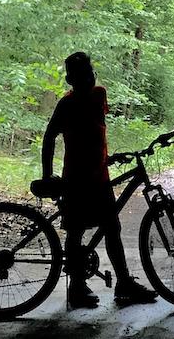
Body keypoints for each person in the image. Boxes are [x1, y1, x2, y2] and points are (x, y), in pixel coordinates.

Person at [41, 51, 158, 308]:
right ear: (71, 80)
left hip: (99, 176)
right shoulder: (66, 104)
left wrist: (107, 157)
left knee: (112, 228)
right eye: (82, 75)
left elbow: (94, 131)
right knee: (76, 231)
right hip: (76, 179)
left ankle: (123, 282)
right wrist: (47, 175)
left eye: (90, 73)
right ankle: (77, 287)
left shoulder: (98, 95)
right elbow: (49, 138)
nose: (89, 78)